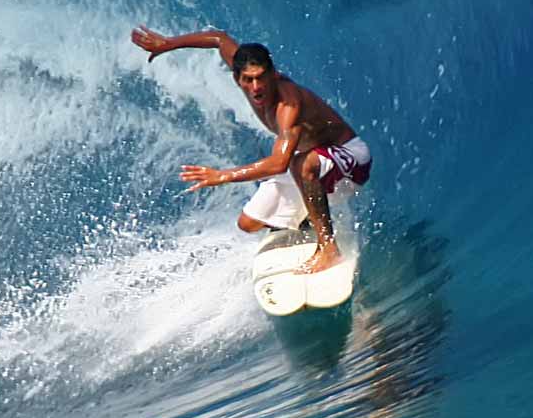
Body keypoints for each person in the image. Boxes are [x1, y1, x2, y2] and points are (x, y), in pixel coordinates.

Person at [130, 25, 371, 274]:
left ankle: (329, 248)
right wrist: (170, 43)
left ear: (273, 74)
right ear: (238, 78)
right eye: (248, 79)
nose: (256, 87)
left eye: (261, 77)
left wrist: (222, 176)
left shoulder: (289, 105)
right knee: (249, 223)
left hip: (349, 159)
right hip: (316, 162)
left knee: (300, 163)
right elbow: (218, 38)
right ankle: (307, 219)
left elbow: (279, 163)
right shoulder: (246, 76)